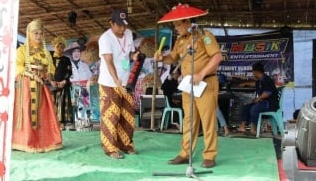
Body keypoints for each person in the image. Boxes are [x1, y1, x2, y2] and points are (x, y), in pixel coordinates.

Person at [154, 19, 223, 168]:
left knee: (207, 121)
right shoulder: (179, 40)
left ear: (188, 22)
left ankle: (209, 155)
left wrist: (202, 73)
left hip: (205, 82)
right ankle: (185, 154)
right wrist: (162, 58)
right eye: (175, 25)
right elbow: (173, 58)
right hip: (189, 85)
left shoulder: (204, 35)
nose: (176, 28)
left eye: (179, 25)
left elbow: (217, 57)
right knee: (189, 120)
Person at [12, 19, 62, 153]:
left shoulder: (45, 52)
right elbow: (17, 66)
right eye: (36, 33)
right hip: (25, 87)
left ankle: (44, 141)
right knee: (27, 112)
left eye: (41, 33)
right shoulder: (22, 50)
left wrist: (51, 78)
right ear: (29, 34)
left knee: (43, 113)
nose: (39, 36)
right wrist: (33, 75)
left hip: (41, 87)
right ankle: (24, 141)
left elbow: (51, 68)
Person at [98, 9, 140, 159]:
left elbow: (128, 53)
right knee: (111, 115)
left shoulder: (128, 34)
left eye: (125, 25)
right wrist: (116, 80)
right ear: (111, 23)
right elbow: (109, 62)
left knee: (128, 115)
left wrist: (134, 56)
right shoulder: (105, 39)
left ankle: (126, 144)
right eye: (119, 25)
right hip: (109, 82)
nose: (123, 29)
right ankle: (110, 148)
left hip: (127, 82)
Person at [237, 62, 279, 136]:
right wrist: (246, 84)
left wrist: (258, 98)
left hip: (270, 104)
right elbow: (255, 84)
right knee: (246, 107)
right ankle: (242, 127)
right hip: (263, 102)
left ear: (256, 71)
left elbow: (268, 93)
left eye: (253, 72)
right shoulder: (260, 80)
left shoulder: (267, 79)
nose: (253, 73)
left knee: (254, 109)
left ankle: (253, 129)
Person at [51, 36, 73, 129]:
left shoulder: (66, 59)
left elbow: (69, 72)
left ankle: (62, 123)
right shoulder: (50, 58)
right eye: (58, 47)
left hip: (64, 85)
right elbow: (48, 70)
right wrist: (52, 81)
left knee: (63, 103)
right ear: (54, 47)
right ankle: (52, 123)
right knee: (52, 103)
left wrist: (64, 81)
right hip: (52, 85)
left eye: (62, 47)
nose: (60, 49)